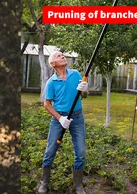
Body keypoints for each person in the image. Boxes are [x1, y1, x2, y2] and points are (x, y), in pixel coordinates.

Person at [37, 51, 88, 194]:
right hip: (59, 119)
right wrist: (60, 118)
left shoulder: (76, 74)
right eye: (59, 56)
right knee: (50, 151)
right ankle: (44, 183)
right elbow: (47, 104)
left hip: (77, 117)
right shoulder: (51, 82)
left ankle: (78, 185)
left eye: (62, 54)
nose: (63, 56)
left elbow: (84, 95)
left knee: (81, 152)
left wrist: (85, 89)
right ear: (53, 64)